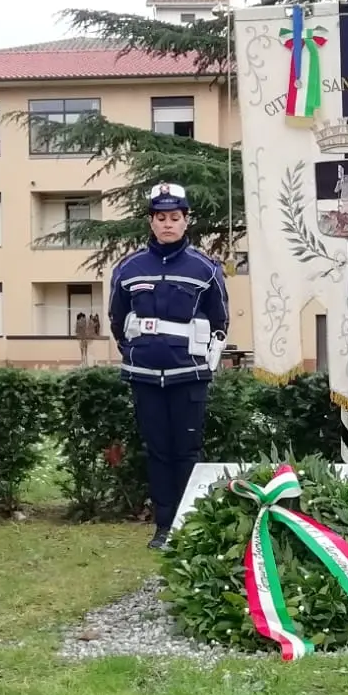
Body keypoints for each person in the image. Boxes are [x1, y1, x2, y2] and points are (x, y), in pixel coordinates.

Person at [109, 182, 229, 550]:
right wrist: (136, 352)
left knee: (188, 451)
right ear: (150, 222)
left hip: (188, 376)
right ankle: (163, 527)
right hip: (145, 375)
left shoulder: (205, 269)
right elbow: (117, 319)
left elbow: (219, 320)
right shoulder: (128, 269)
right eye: (160, 218)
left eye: (174, 217)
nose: (167, 224)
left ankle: (189, 526)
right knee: (158, 451)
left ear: (186, 221)